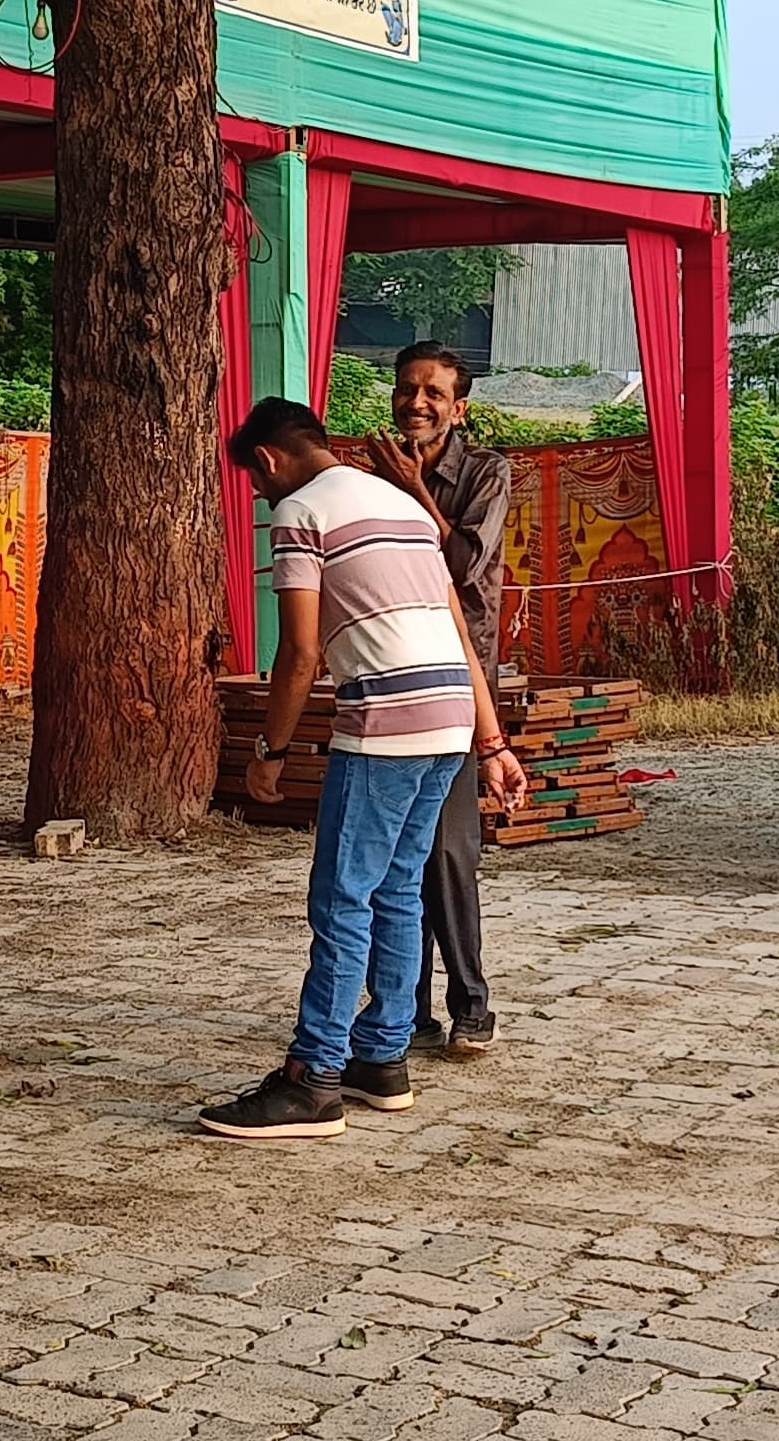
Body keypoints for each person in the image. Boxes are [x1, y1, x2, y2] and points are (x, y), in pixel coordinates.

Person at [207, 398, 527, 1141]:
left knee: (343, 898)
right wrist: (491, 742)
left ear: (268, 461)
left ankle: (314, 1078)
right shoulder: (405, 506)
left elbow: (299, 654)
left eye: (257, 484)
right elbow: (458, 632)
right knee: (398, 890)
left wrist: (270, 752)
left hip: (386, 721)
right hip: (449, 716)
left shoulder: (301, 513)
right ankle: (381, 1057)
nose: (263, 497)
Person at [365, 342, 514, 1060]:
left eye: (433, 393)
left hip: (459, 684)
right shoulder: (376, 470)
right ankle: (404, 1010)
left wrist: (413, 491)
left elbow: (459, 565)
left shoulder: (486, 472)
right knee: (395, 857)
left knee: (449, 852)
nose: (416, 403)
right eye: (406, 389)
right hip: (392, 678)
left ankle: (472, 1006)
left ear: (460, 409)